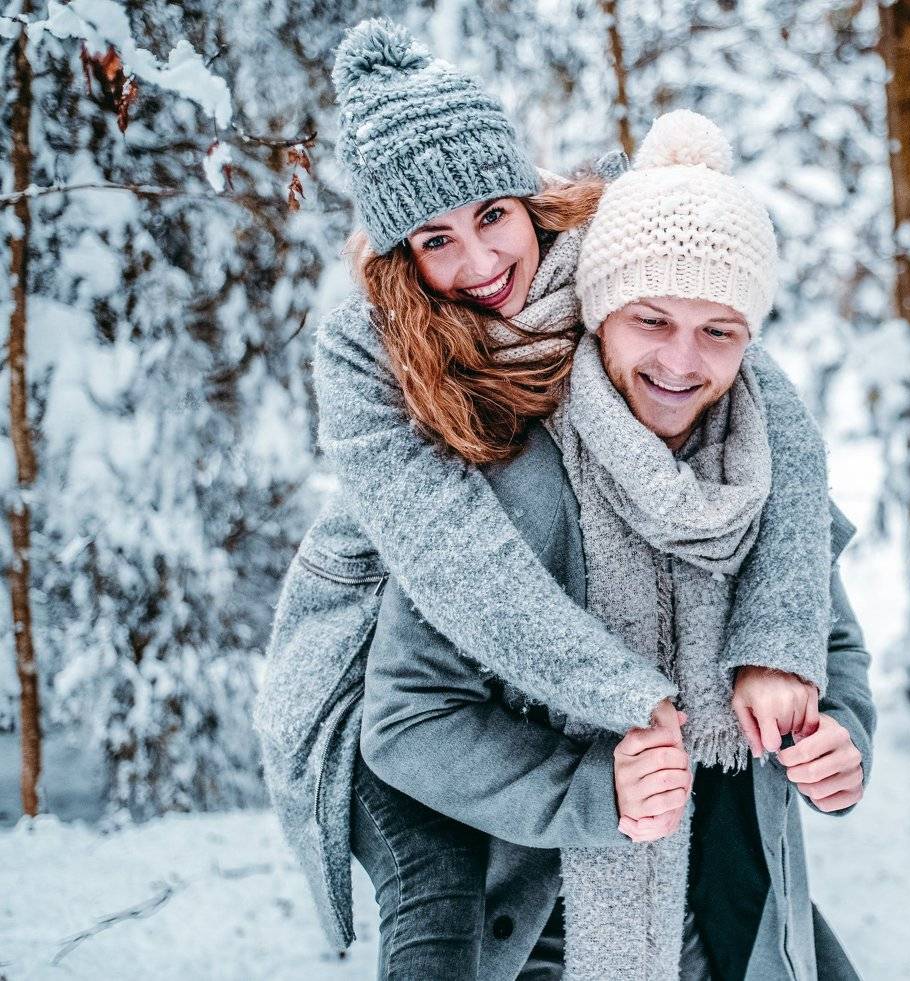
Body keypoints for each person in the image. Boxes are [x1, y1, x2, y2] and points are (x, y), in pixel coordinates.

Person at [251, 18, 837, 974]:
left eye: (492, 214)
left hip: (534, 651)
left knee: (737, 890)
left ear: (526, 196)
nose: (479, 263)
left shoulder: (611, 261)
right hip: (386, 648)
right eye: (435, 239)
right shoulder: (370, 347)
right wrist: (628, 694)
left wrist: (776, 646)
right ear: (400, 256)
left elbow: (773, 415)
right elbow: (456, 557)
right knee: (438, 903)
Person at [360, 107, 874, 980]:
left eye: (718, 330)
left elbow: (832, 645)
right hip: (548, 936)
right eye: (651, 320)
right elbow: (408, 719)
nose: (681, 362)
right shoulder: (505, 475)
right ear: (599, 313)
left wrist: (840, 736)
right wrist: (588, 787)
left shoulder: (767, 471)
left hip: (736, 916)